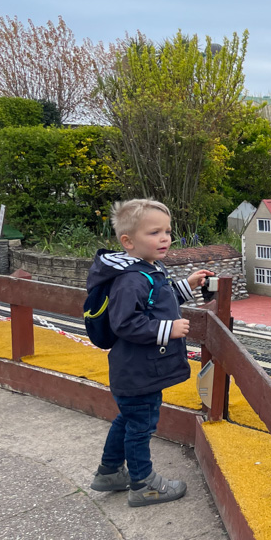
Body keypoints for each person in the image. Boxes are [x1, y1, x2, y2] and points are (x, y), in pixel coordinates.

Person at [87, 199, 213, 507]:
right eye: (154, 232)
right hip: (139, 369)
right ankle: (143, 484)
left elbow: (159, 299)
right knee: (141, 425)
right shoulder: (131, 278)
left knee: (129, 419)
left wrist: (189, 284)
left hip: (137, 369)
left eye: (167, 231)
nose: (165, 238)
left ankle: (110, 471)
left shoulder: (147, 270)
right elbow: (125, 322)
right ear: (128, 241)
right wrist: (168, 330)